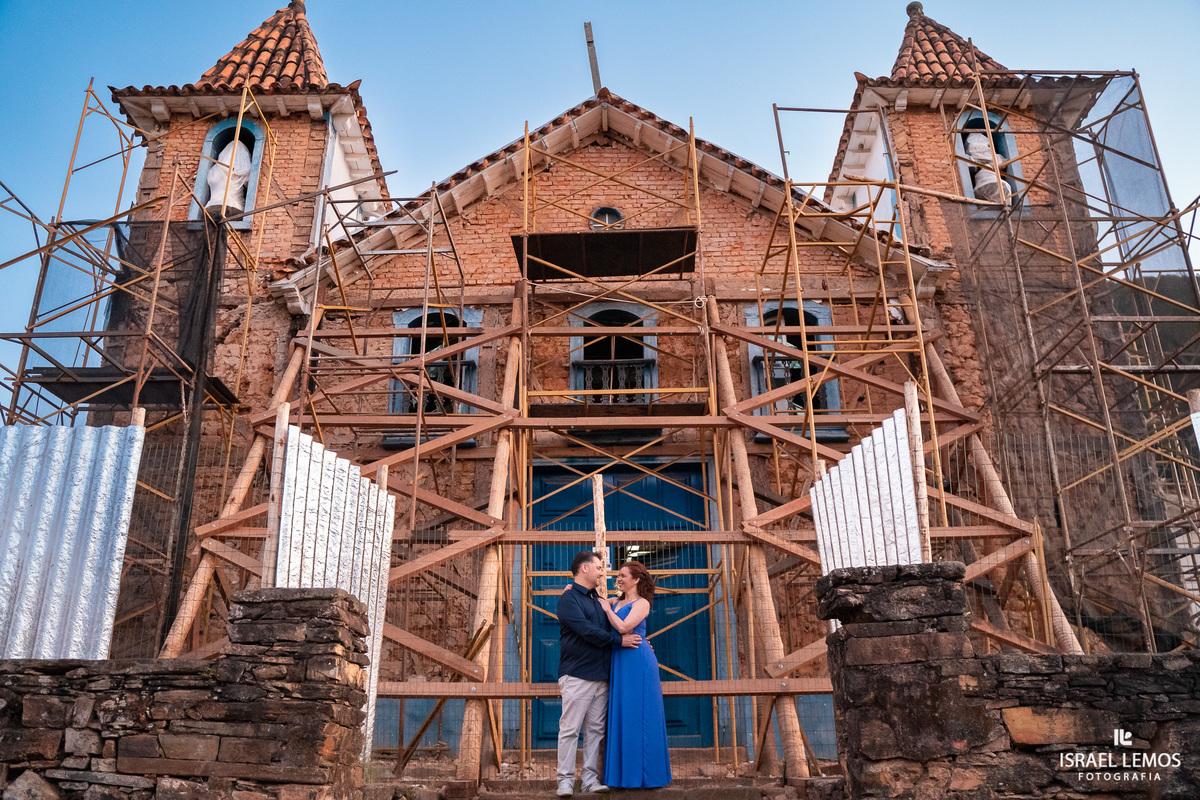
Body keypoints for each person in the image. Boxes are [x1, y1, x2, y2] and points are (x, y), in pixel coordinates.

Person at [556, 550, 641, 797]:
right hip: (577, 674)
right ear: (584, 568)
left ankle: (590, 780)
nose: (603, 572)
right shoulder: (568, 599)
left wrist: (641, 642)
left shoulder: (601, 600)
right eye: (599, 567)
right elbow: (586, 631)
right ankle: (564, 781)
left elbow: (626, 612)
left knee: (595, 731)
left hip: (602, 676)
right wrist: (619, 641)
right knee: (570, 729)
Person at [596, 560, 672, 789]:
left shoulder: (642, 604)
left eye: (622, 576)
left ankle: (648, 776)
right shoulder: (616, 601)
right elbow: (592, 600)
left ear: (636, 579)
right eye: (617, 575)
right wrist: (571, 588)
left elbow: (623, 627)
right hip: (619, 661)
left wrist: (608, 610)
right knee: (623, 714)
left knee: (642, 715)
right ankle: (624, 778)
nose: (618, 579)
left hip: (638, 662)